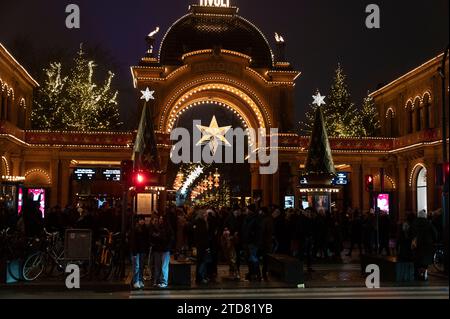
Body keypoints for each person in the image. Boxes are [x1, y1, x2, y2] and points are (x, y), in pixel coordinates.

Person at [411, 209, 437, 281]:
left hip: (417, 244)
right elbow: (434, 233)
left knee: (418, 259)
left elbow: (411, 233)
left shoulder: (414, 223)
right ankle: (423, 273)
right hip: (427, 244)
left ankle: (419, 274)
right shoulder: (428, 223)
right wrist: (434, 240)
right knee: (425, 260)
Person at [151, 214, 174, 288]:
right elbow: (152, 236)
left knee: (164, 266)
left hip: (164, 249)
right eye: (160, 218)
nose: (160, 220)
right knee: (158, 266)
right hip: (158, 249)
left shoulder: (168, 228)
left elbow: (169, 238)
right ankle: (157, 280)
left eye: (162, 219)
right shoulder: (157, 227)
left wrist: (158, 236)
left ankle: (164, 281)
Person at [130, 215, 149, 290]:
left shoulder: (145, 229)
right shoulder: (134, 229)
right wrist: (134, 252)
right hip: (136, 251)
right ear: (138, 221)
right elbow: (133, 241)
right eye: (141, 220)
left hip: (142, 250)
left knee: (141, 266)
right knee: (136, 267)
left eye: (143, 220)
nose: (142, 221)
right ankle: (136, 281)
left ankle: (140, 280)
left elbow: (146, 240)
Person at [193, 209, 211, 284]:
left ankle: (200, 277)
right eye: (205, 214)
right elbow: (204, 236)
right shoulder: (202, 223)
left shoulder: (198, 222)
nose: (206, 215)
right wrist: (207, 246)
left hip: (199, 245)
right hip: (202, 245)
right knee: (202, 262)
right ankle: (200, 277)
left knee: (200, 262)